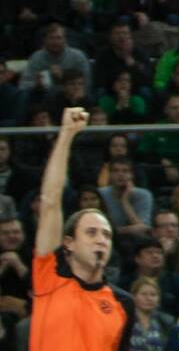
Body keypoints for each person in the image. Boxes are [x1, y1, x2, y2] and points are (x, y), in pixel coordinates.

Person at [31, 107, 135, 351]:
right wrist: (67, 134)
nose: (101, 240)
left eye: (107, 235)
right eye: (91, 232)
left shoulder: (123, 303)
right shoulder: (50, 276)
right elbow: (50, 201)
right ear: (68, 243)